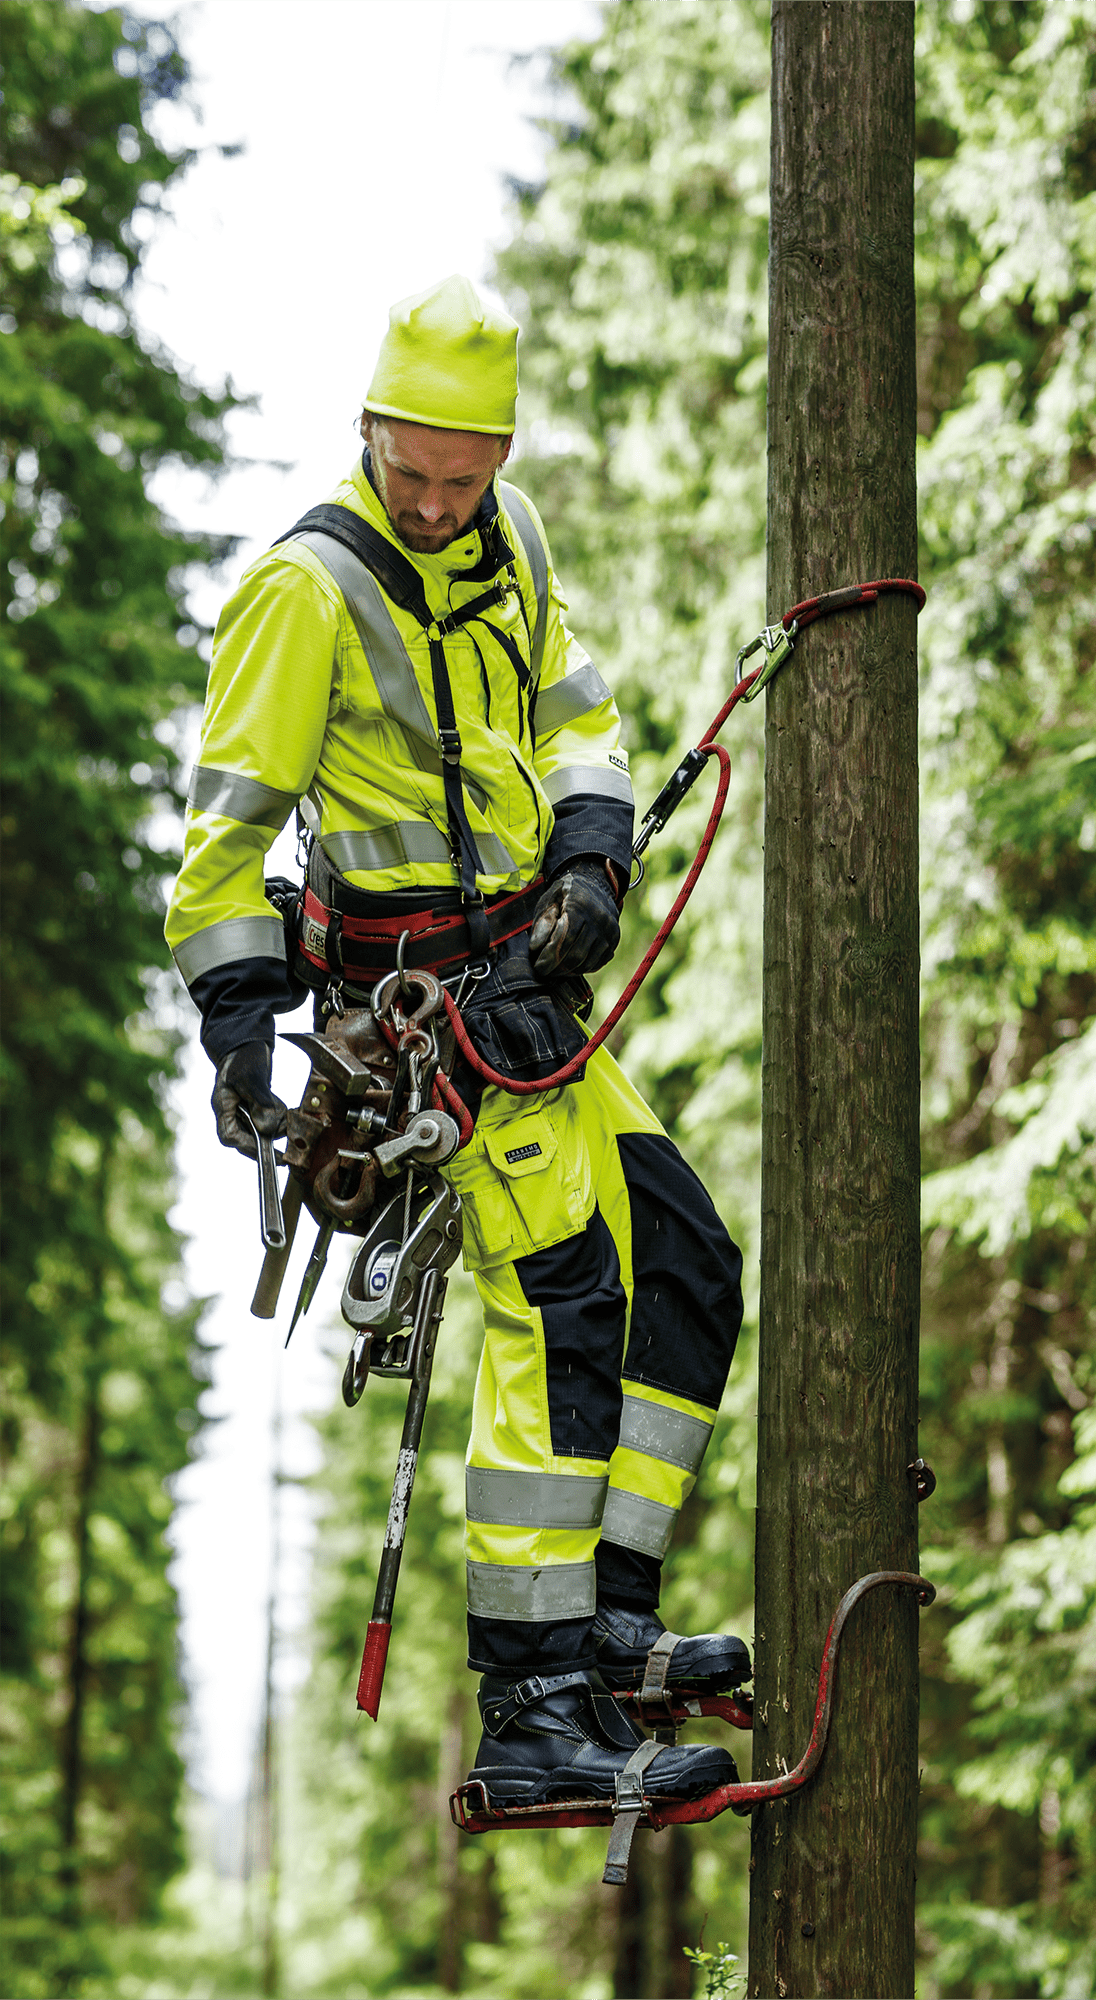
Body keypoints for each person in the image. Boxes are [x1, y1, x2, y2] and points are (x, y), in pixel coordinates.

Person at [166, 277, 747, 1805]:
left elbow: (576, 712)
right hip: (424, 1022)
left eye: (462, 476)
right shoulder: (306, 592)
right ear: (366, 431)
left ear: (498, 454)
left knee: (687, 1258)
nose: (433, 504)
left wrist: (595, 853)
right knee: (557, 1302)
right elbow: (223, 843)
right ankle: (532, 1701)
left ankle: (611, 1624)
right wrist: (241, 1028)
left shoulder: (519, 542)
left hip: (527, 988)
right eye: (409, 471)